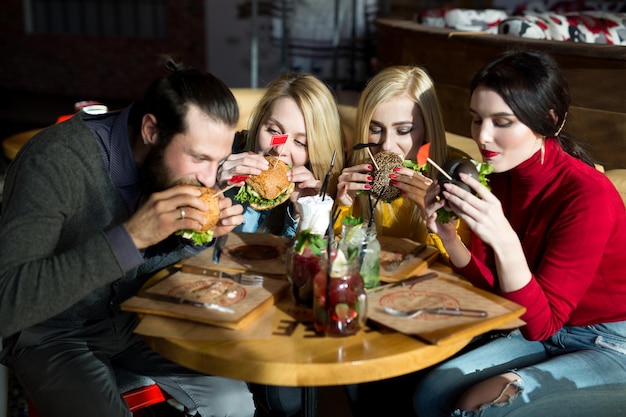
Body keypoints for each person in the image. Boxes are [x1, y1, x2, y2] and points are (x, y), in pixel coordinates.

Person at [0, 58, 255, 417]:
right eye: (199, 157)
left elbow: (140, 269)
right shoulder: (55, 161)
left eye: (219, 161)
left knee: (235, 402)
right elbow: (8, 301)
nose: (209, 179)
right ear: (151, 130)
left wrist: (193, 238)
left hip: (134, 319)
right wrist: (131, 236)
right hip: (51, 333)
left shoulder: (173, 172)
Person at [414, 50, 626, 416]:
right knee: (430, 394)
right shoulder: (496, 179)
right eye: (476, 119)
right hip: (545, 331)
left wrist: (505, 240)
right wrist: (449, 236)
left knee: (483, 406)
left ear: (550, 120)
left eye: (502, 121)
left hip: (609, 343)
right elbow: (495, 290)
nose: (483, 136)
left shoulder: (589, 196)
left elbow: (542, 325)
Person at [217, 71, 345, 237]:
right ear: (258, 124)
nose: (279, 150)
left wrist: (304, 216)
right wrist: (214, 188)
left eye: (300, 143)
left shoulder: (318, 196)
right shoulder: (220, 152)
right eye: (273, 130)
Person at [334, 65, 449, 242]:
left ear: (428, 130)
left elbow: (459, 264)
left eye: (403, 130)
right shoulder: (350, 177)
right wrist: (343, 206)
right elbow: (335, 252)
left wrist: (436, 219)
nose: (387, 145)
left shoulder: (451, 184)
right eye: (375, 128)